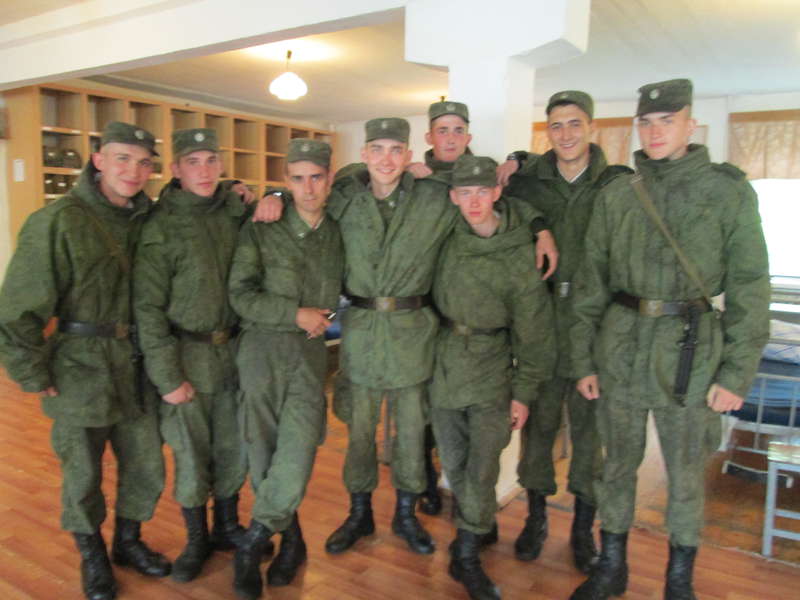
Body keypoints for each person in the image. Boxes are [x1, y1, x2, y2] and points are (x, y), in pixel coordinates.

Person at [568, 79, 770, 600]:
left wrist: (736, 372)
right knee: (617, 465)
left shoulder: (726, 192)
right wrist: (583, 360)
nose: (654, 132)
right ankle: (611, 567)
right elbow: (591, 283)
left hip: (691, 352)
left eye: (667, 121)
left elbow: (750, 286)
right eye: (646, 122)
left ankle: (679, 581)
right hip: (621, 347)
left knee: (684, 473)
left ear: (690, 124)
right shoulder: (617, 195)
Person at [259, 118, 456, 556]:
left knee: (410, 432)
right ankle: (359, 513)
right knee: (360, 431)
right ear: (364, 155)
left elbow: (485, 198)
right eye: (377, 149)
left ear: (408, 156)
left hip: (412, 332)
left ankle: (405, 514)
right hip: (363, 330)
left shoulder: (433, 198)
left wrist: (536, 221)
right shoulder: (343, 197)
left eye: (395, 150)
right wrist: (274, 195)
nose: (386, 159)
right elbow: (304, 194)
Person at [0, 121, 170, 600]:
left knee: (145, 463)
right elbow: (17, 309)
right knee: (83, 470)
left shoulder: (151, 219)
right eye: (122, 158)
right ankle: (92, 555)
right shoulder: (57, 221)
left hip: (137, 363)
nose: (133, 171)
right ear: (98, 160)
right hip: (80, 366)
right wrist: (31, 371)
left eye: (143, 163)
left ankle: (128, 542)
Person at [503, 90, 632, 573]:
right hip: (541, 322)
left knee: (589, 434)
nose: (566, 134)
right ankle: (536, 517)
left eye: (575, 123)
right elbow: (503, 207)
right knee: (537, 430)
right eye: (556, 125)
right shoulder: (527, 181)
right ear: (547, 132)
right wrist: (534, 214)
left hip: (595, 328)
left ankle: (582, 527)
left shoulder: (618, 183)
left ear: (592, 127)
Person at [431, 154, 556, 600]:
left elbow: (535, 333)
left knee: (483, 465)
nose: (474, 202)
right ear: (453, 197)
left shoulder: (519, 250)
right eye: (465, 193)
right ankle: (476, 527)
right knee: (455, 462)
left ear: (498, 193)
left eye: (482, 192)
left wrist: (522, 393)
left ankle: (466, 556)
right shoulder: (444, 238)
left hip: (493, 367)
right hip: (445, 364)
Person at [133, 128, 255, 582]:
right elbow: (147, 309)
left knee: (233, 446)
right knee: (190, 453)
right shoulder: (160, 225)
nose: (204, 171)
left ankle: (227, 526)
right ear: (175, 169)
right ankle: (197, 538)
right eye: (193, 162)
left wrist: (275, 195)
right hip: (186, 357)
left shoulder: (234, 212)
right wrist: (167, 377)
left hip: (235, 354)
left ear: (221, 165)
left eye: (211, 161)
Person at [227, 139, 344, 600]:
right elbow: (240, 293)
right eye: (296, 179)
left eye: (317, 177)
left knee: (299, 447)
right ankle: (291, 539)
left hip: (310, 356)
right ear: (286, 180)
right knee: (262, 451)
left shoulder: (340, 227)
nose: (308, 188)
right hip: (261, 348)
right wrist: (293, 313)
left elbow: (369, 178)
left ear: (330, 178)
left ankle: (253, 542)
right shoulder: (262, 227)